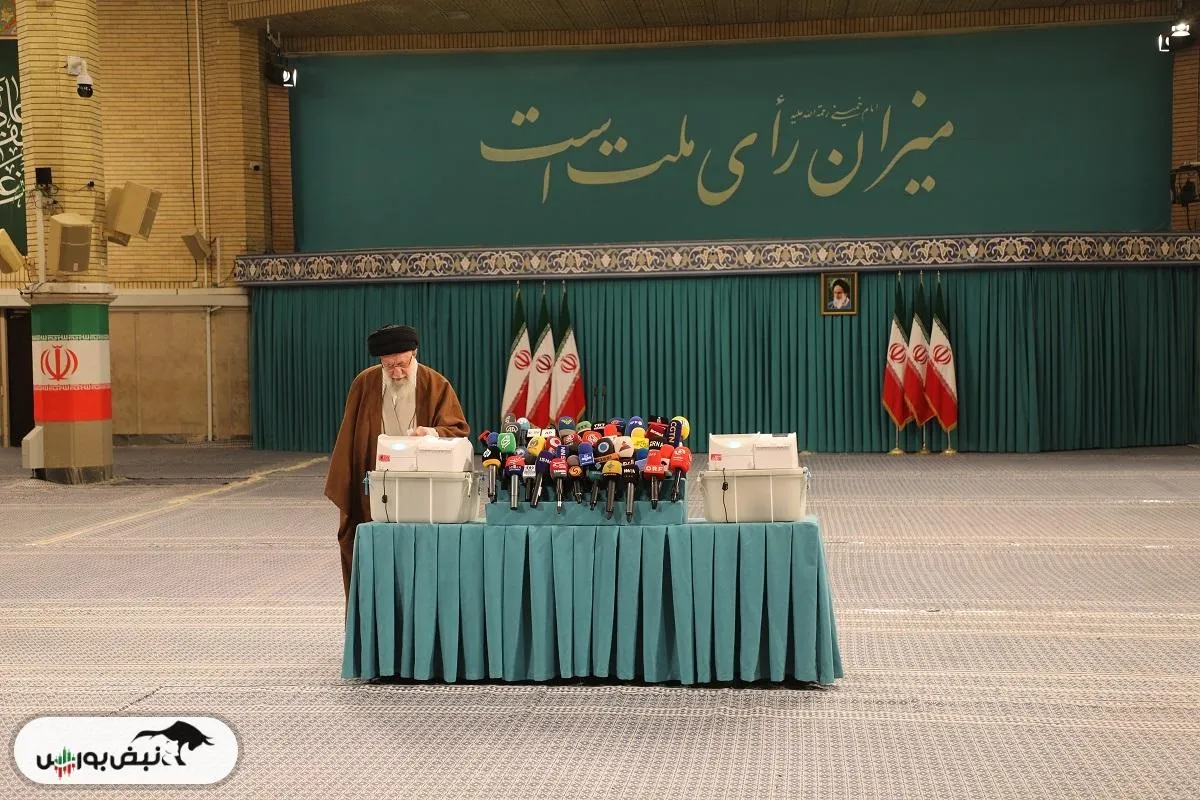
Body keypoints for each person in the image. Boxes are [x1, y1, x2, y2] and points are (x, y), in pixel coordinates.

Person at [324, 324, 470, 599]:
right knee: (370, 551)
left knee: (417, 554)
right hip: (374, 485)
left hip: (421, 487)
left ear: (414, 353)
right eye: (388, 366)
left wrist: (431, 433)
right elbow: (349, 437)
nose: (396, 372)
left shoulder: (435, 384)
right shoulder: (364, 383)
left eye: (402, 364)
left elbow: (457, 429)